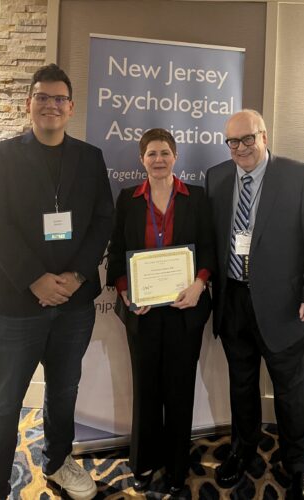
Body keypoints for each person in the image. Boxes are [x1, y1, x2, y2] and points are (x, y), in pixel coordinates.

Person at [0, 64, 114, 500]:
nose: (51, 105)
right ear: (29, 104)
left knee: (64, 390)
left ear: (71, 108)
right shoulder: (1, 156)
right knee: (4, 401)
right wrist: (35, 279)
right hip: (17, 302)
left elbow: (103, 220)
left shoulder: (90, 158)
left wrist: (74, 276)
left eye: (59, 98)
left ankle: (56, 462)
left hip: (73, 302)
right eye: (42, 97)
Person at [205, 109, 304, 499]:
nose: (240, 148)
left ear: (264, 136)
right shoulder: (217, 178)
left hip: (283, 305)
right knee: (241, 385)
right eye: (233, 142)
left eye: (248, 139)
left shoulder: (297, 175)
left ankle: (302, 466)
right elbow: (212, 238)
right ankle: (243, 451)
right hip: (234, 301)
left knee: (292, 391)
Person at [106, 128, 214, 496]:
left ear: (176, 156)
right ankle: (143, 461)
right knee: (146, 389)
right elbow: (117, 252)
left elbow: (210, 250)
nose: (158, 159)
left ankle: (177, 464)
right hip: (144, 312)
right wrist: (127, 294)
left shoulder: (196, 198)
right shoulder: (128, 199)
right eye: (151, 153)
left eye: (165, 152)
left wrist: (199, 284)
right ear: (141, 159)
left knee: (180, 389)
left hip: (186, 310)